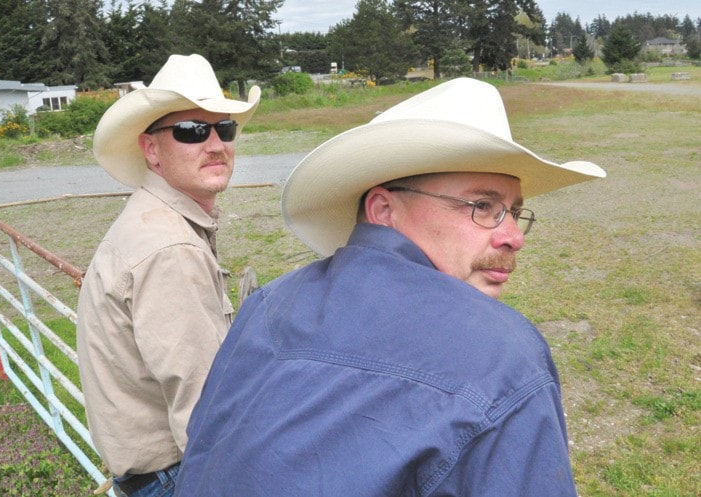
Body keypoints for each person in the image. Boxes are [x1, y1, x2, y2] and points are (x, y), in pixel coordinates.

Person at [175, 78, 606, 496]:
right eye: (483, 206)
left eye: (513, 211)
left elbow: (203, 453)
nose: (514, 236)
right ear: (383, 209)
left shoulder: (268, 304)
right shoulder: (503, 357)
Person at [76, 54, 260, 497]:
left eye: (225, 128)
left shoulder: (154, 221)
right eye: (192, 131)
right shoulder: (170, 249)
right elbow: (205, 415)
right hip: (176, 478)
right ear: (151, 149)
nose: (215, 143)